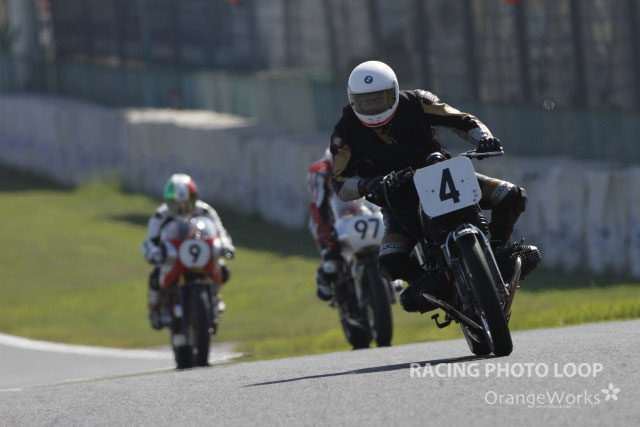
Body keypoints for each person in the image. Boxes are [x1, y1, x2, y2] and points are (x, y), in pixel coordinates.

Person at [329, 60, 541, 314]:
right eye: (366, 102)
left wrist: (484, 138)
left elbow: (462, 120)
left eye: (379, 99)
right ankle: (432, 285)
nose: (373, 106)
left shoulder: (418, 100)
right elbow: (340, 183)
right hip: (398, 198)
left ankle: (496, 253)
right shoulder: (344, 131)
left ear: (394, 92)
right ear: (353, 101)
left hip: (444, 174)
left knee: (512, 196)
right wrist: (368, 183)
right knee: (390, 260)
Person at [142, 173, 235, 329]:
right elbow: (149, 241)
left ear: (193, 199)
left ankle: (215, 295)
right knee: (155, 275)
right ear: (169, 203)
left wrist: (226, 246)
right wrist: (154, 253)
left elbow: (220, 231)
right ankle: (155, 310)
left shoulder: (205, 210)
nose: (182, 209)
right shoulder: (160, 215)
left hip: (200, 255)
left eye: (186, 204)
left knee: (223, 269)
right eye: (177, 205)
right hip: (173, 257)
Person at [308, 149, 374, 300]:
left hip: (360, 213)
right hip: (330, 218)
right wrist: (326, 230)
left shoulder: (364, 162)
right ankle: (323, 276)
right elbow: (319, 206)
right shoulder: (320, 171)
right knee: (333, 263)